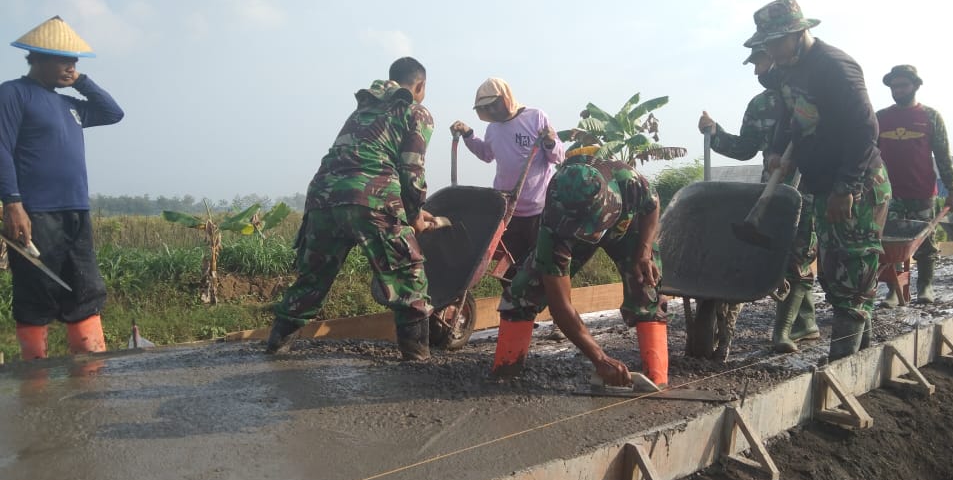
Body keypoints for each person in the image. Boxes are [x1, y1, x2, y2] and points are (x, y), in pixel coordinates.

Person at [747, 0, 891, 362]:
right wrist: (778, 148)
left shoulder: (835, 68)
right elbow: (791, 117)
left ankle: (844, 365)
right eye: (767, 45)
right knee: (834, 275)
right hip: (823, 183)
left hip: (856, 184)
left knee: (853, 275)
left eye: (776, 42)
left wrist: (847, 188)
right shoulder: (788, 71)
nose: (771, 51)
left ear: (799, 33)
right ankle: (860, 361)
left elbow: (865, 130)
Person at [267, 57, 438, 360]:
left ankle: (277, 346)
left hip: (323, 198)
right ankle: (417, 359)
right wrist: (413, 217)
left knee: (313, 277)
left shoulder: (362, 110)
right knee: (409, 277)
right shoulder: (416, 111)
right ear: (420, 85)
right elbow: (412, 171)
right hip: (373, 199)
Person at [0, 16, 124, 361]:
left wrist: (82, 82)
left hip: (76, 211)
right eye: (64, 60)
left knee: (85, 290)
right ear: (37, 58)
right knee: (36, 293)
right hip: (36, 212)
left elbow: (113, 113)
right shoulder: (13, 94)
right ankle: (34, 382)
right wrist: (12, 204)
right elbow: (1, 148)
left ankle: (89, 373)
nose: (71, 67)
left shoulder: (69, 104)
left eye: (75, 62)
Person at [491, 153, 668, 387]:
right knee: (524, 290)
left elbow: (652, 205)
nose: (591, 235)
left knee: (646, 285)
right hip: (569, 236)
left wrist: (644, 251)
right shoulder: (555, 226)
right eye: (586, 230)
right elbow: (560, 304)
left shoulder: (628, 181)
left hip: (626, 229)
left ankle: (656, 378)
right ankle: (506, 371)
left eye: (592, 228)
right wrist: (599, 357)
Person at [698, 45, 818, 358]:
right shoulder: (760, 105)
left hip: (809, 186)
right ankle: (805, 320)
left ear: (777, 57)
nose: (756, 72)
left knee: (801, 253)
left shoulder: (811, 97)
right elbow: (745, 149)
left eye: (760, 63)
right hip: (773, 191)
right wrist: (715, 133)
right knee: (778, 252)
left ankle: (786, 328)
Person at [449, 78, 565, 283]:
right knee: (509, 268)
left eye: (495, 105)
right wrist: (468, 135)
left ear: (506, 99)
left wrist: (549, 141)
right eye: (487, 108)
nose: (492, 111)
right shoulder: (493, 129)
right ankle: (515, 309)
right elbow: (486, 154)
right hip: (507, 209)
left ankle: (540, 304)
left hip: (538, 209)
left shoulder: (535, 118)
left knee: (541, 266)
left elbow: (558, 157)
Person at [875, 65, 953, 306]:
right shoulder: (881, 118)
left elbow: (943, 156)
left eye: (903, 85)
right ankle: (893, 290)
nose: (897, 90)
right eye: (894, 86)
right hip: (889, 193)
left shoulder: (930, 117)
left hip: (922, 192)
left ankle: (925, 287)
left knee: (925, 243)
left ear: (915, 86)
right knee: (888, 244)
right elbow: (869, 154)